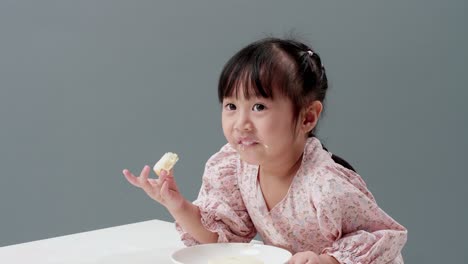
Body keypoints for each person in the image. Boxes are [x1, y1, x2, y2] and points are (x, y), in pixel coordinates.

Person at [123, 37, 407, 264]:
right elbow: (223, 241)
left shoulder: (326, 184)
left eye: (259, 107)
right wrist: (178, 205)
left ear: (307, 117)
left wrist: (328, 260)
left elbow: (383, 237)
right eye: (231, 106)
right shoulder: (236, 167)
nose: (241, 124)